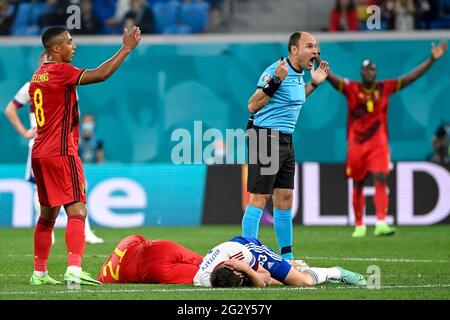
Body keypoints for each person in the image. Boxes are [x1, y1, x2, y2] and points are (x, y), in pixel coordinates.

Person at [28, 25, 141, 286]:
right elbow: (101, 75)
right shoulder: (61, 71)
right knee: (78, 209)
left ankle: (39, 273)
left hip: (40, 152)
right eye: (68, 42)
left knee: (47, 215)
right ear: (55, 49)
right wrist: (126, 48)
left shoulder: (38, 75)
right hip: (61, 151)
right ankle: (74, 270)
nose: (73, 46)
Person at [316, 40, 447, 237]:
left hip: (378, 142)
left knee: (381, 177)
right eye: (367, 70)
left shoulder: (385, 88)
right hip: (356, 143)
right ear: (361, 73)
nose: (371, 72)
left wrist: (431, 60)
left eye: (374, 70)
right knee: (358, 182)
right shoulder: (351, 88)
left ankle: (381, 222)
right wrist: (317, 59)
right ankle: (360, 225)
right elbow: (331, 77)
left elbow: (410, 77)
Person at [242, 32, 329, 262]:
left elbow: (294, 99)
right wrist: (276, 81)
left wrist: (314, 84)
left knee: (285, 198)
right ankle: (248, 256)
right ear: (294, 50)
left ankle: (287, 259)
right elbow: (252, 105)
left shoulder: (299, 74)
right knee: (260, 197)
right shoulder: (276, 71)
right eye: (309, 46)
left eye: (316, 47)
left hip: (285, 140)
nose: (315, 52)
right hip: (265, 137)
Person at [4, 52, 104, 246]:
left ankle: (85, 231)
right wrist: (24, 131)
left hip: (62, 143)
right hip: (44, 141)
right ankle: (48, 232)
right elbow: (10, 109)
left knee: (77, 188)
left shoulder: (65, 79)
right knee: (42, 189)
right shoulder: (33, 84)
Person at [98, 234, 367, 289]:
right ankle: (293, 267)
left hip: (249, 248)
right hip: (234, 259)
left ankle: (336, 272)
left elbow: (261, 281)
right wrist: (248, 274)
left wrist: (246, 269)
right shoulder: (204, 279)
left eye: (239, 279)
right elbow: (259, 281)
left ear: (234, 271)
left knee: (303, 283)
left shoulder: (239, 262)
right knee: (276, 279)